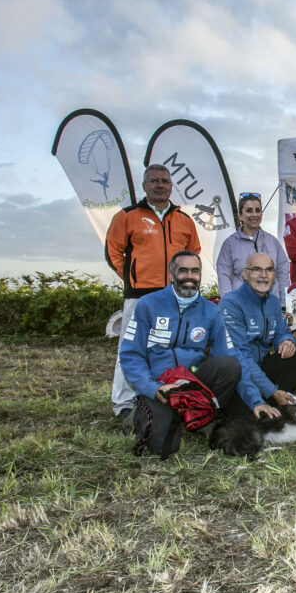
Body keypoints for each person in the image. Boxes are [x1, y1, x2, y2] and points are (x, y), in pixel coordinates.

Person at [120, 251, 276, 454]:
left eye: (195, 271)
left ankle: (200, 415)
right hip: (160, 386)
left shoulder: (211, 310)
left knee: (230, 365)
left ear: (200, 275)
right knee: (163, 449)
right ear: (171, 275)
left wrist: (256, 401)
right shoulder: (148, 304)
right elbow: (131, 355)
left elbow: (233, 356)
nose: (189, 276)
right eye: (183, 270)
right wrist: (152, 388)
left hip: (192, 382)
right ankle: (140, 415)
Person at [106, 163, 200, 422]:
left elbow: (193, 254)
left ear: (171, 186)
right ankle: (124, 404)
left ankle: (167, 398)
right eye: (154, 181)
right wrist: (132, 278)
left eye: (165, 181)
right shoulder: (127, 216)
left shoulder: (184, 220)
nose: (160, 185)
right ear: (144, 186)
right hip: (140, 296)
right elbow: (113, 251)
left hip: (174, 297)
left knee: (170, 349)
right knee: (130, 349)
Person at [219, 253, 296, 408]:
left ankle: (275, 400)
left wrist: (285, 341)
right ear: (245, 274)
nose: (264, 275)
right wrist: (271, 390)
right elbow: (241, 356)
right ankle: (272, 399)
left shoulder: (273, 301)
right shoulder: (231, 303)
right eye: (257, 269)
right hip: (239, 374)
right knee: (242, 416)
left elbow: (282, 330)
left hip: (260, 366)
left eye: (269, 270)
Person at [216, 192, 288, 306]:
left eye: (257, 210)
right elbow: (224, 277)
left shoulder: (273, 242)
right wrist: (229, 306)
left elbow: (283, 274)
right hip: (241, 307)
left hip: (270, 306)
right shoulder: (229, 244)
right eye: (249, 210)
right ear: (240, 215)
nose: (254, 214)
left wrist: (284, 304)